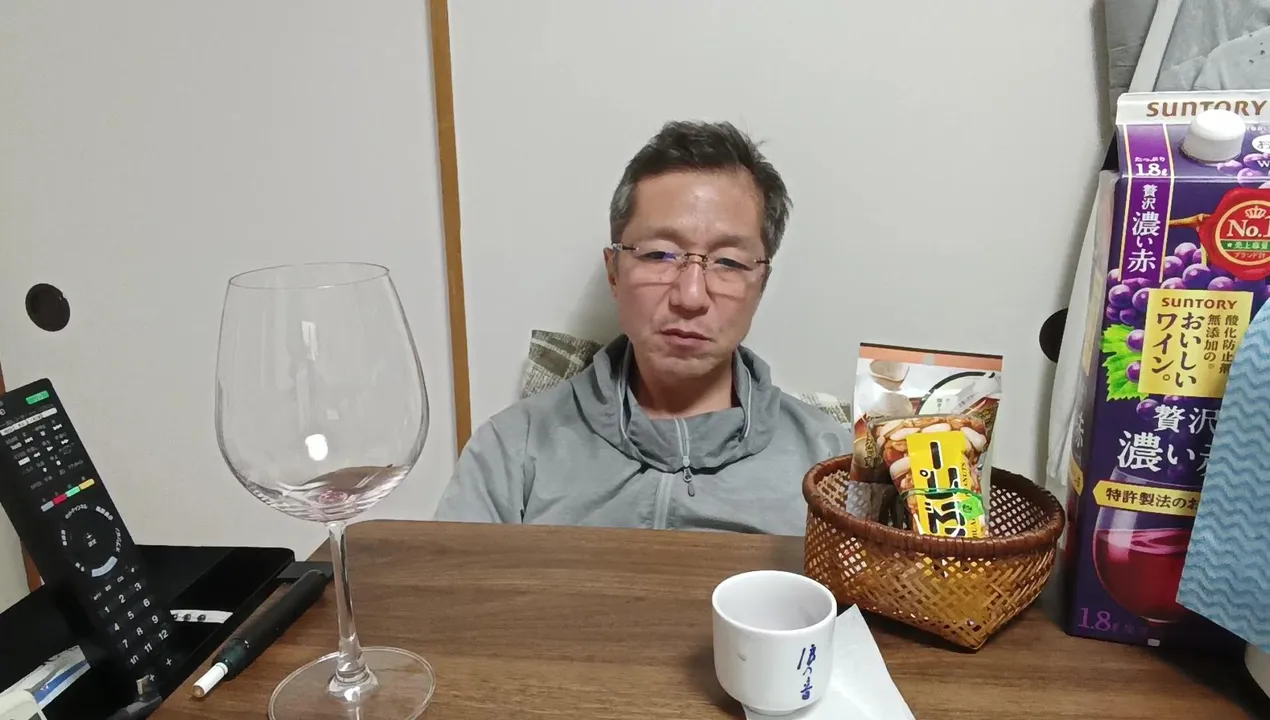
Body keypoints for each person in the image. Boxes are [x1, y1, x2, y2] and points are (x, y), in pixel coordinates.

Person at [435, 120, 849, 534]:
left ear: (761, 284)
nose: (690, 296)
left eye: (728, 262)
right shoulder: (513, 450)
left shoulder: (831, 464)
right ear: (614, 271)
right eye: (659, 255)